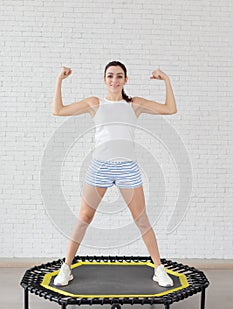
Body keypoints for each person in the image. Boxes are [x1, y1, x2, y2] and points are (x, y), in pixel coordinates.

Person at [52, 60, 177, 288]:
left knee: (141, 220)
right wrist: (60, 80)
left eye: (119, 76)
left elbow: (170, 109)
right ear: (104, 79)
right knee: (84, 218)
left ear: (125, 80)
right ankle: (66, 267)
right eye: (110, 76)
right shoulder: (94, 104)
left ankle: (158, 268)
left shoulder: (134, 104)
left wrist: (166, 80)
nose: (114, 80)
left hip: (127, 168)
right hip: (100, 167)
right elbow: (58, 110)